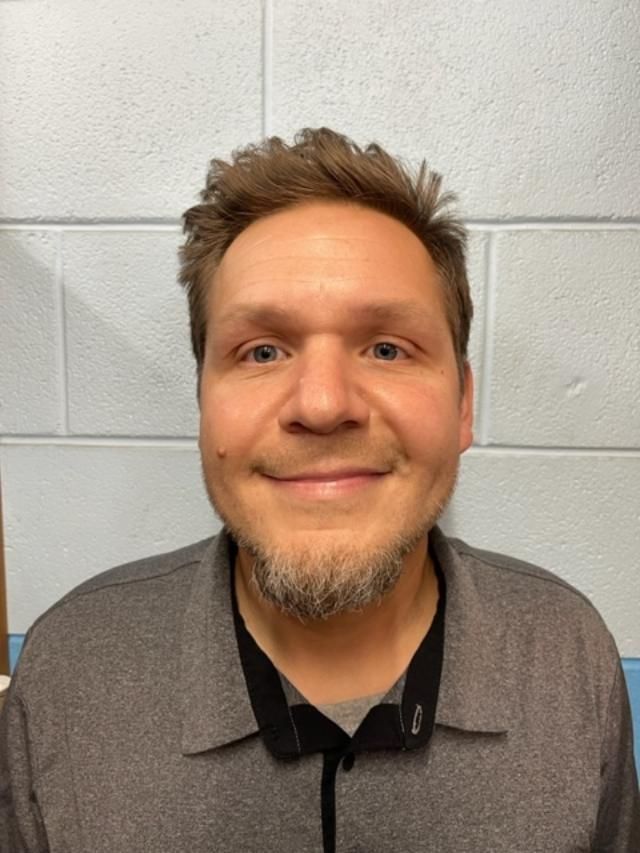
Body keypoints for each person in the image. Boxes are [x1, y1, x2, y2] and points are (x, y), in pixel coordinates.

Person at [1, 128, 638, 853]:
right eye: (263, 350)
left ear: (463, 405)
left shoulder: (567, 654)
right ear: (204, 401)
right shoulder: (70, 671)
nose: (325, 402)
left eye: (388, 348)